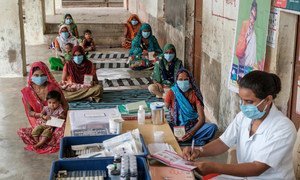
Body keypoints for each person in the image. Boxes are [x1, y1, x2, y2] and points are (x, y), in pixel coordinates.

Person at [183, 71, 297, 179]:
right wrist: (200, 151)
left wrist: (214, 167)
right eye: (242, 100)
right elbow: (223, 142)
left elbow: (257, 168)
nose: (243, 106)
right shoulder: (243, 117)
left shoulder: (283, 128)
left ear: (268, 99)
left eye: (249, 102)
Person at [17, 61, 68, 154]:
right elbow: (30, 112)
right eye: (36, 75)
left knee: (62, 132)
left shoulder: (53, 87)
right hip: (41, 120)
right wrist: (41, 116)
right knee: (23, 132)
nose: (39, 78)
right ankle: (40, 142)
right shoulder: (27, 91)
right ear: (31, 76)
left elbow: (65, 105)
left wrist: (61, 116)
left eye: (42, 75)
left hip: (56, 119)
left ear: (46, 74)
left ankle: (42, 142)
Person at [164, 68, 218, 146]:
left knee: (212, 127)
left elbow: (202, 119)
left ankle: (186, 138)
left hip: (192, 126)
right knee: (165, 129)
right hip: (177, 126)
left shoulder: (194, 94)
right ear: (176, 80)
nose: (183, 82)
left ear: (190, 80)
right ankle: (193, 140)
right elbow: (165, 110)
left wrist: (191, 132)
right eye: (180, 79)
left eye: (185, 79)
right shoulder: (172, 92)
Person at [235, 0, 257, 80]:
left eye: (254, 17)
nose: (252, 19)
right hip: (241, 67)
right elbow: (239, 52)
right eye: (251, 15)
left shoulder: (254, 35)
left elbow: (252, 58)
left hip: (249, 70)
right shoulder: (245, 26)